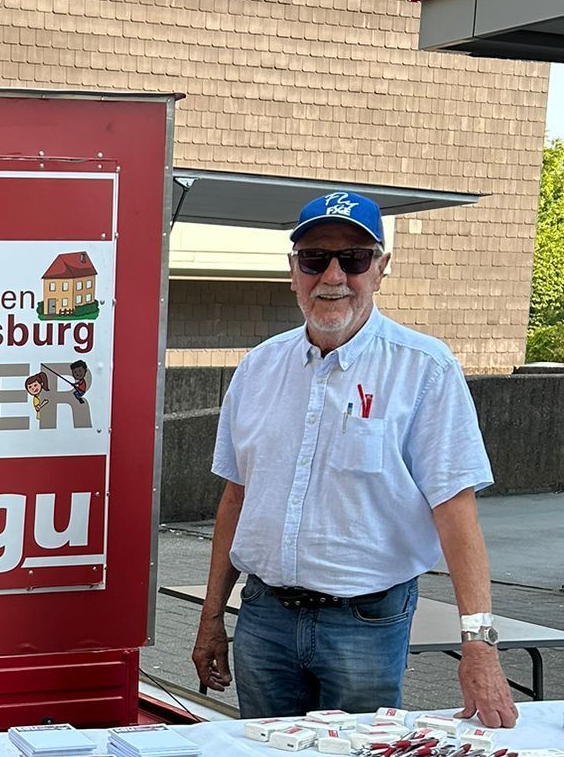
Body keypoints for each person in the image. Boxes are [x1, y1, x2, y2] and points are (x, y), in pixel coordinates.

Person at [191, 191, 516, 728]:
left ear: (381, 269)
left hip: (365, 622)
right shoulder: (258, 368)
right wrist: (210, 620)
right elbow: (236, 498)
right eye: (315, 259)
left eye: (354, 259)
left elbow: (456, 512)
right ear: (293, 271)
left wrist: (478, 644)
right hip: (264, 619)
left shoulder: (424, 368)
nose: (334, 276)